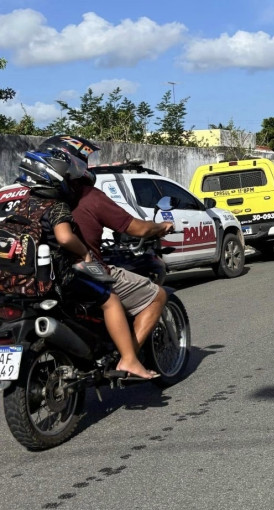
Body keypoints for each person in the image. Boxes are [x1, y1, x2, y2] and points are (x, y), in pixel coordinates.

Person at [17, 143, 159, 379]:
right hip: (59, 276)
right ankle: (130, 360)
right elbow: (64, 237)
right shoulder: (56, 205)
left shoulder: (19, 203)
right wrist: (84, 253)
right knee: (110, 299)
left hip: (20, 279)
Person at [42, 136, 176, 371]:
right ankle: (128, 358)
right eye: (82, 160)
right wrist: (161, 227)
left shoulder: (34, 197)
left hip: (43, 275)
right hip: (83, 271)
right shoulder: (89, 196)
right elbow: (137, 228)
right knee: (157, 296)